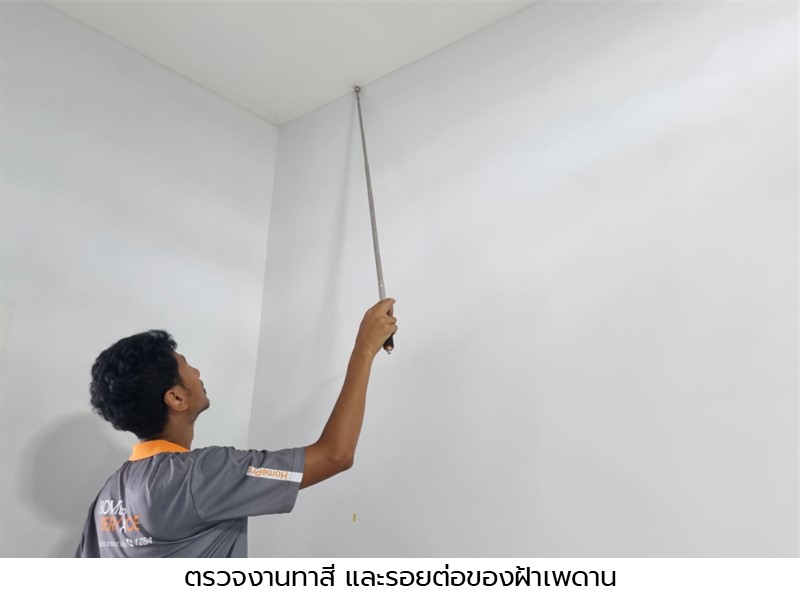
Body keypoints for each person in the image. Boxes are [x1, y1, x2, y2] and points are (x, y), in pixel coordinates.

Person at [75, 298, 397, 557]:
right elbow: (335, 455)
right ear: (176, 398)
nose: (197, 372)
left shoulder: (107, 498)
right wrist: (363, 351)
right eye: (186, 366)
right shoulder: (202, 475)